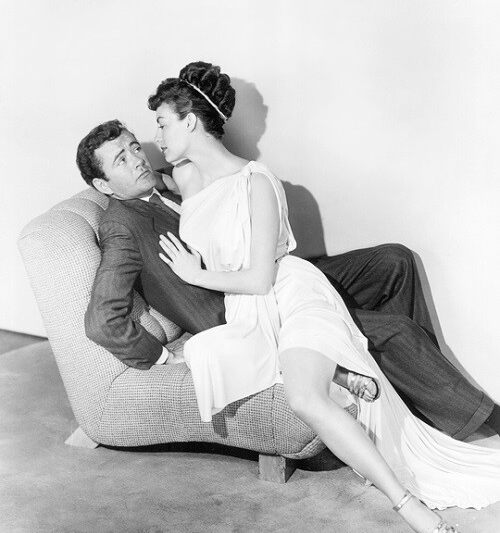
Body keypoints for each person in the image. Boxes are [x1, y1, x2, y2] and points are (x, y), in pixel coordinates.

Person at [148, 60, 500, 533]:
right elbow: (164, 194)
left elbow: (260, 278)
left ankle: (414, 511)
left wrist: (194, 274)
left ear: (189, 121)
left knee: (304, 398)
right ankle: (342, 375)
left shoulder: (257, 182)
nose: (155, 136)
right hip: (250, 314)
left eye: (162, 123)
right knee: (224, 356)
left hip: (292, 295)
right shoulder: (185, 178)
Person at [78, 121, 499, 442]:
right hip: (246, 309)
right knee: (395, 332)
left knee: (395, 261)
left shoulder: (165, 184)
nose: (137, 159)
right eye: (121, 160)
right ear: (102, 185)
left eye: (135, 146)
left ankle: (412, 403)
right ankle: (483, 419)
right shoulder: (121, 226)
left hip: (272, 276)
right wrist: (163, 358)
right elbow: (102, 320)